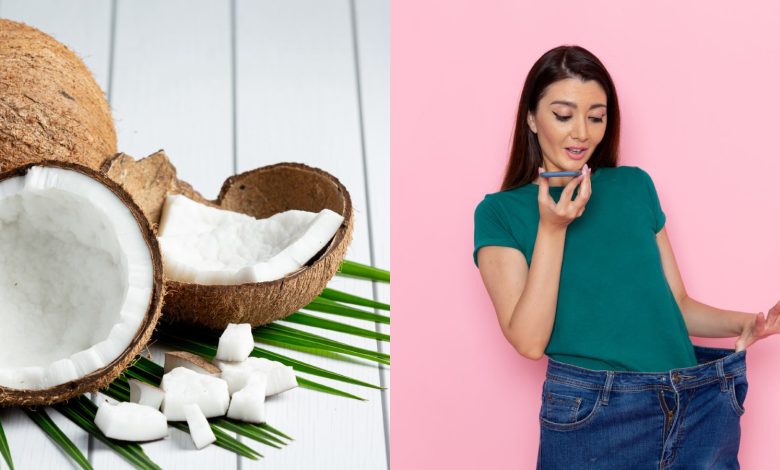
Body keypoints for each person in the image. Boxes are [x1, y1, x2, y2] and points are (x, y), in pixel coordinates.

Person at [472, 44, 780, 469]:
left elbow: (677, 307)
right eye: (564, 115)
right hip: (597, 417)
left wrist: (747, 322)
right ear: (531, 117)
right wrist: (551, 228)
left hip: (697, 402)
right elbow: (528, 341)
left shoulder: (634, 186)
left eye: (596, 117)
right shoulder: (500, 214)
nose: (581, 132)